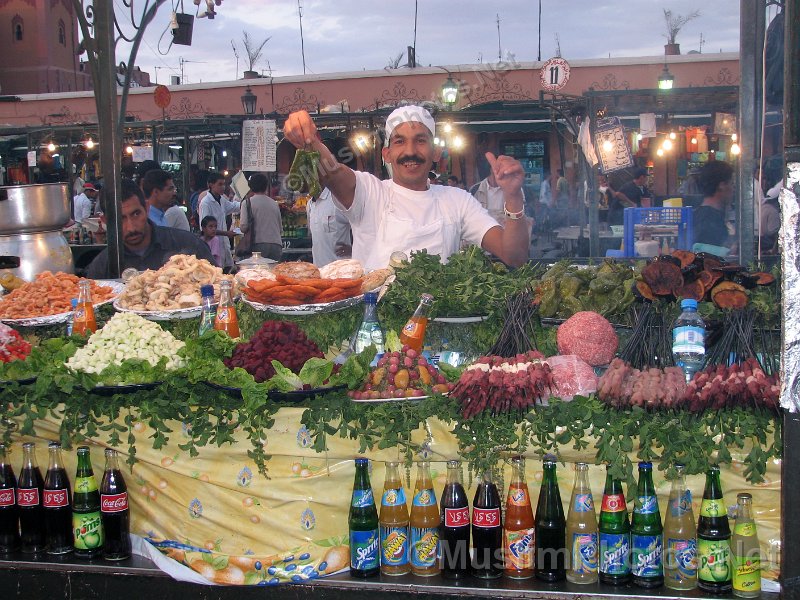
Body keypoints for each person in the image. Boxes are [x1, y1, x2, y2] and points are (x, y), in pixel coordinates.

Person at [282, 104, 529, 272]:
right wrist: (309, 140)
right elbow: (332, 171)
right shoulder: (371, 192)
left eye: (421, 141)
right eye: (400, 142)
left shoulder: (457, 200)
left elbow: (514, 256)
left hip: (438, 331)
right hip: (377, 333)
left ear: (434, 153)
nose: (410, 151)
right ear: (387, 154)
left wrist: (513, 195)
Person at [85, 180, 215, 279]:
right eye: (120, 219)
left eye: (136, 214)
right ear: (105, 221)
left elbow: (221, 291)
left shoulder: (189, 245)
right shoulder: (102, 267)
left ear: (147, 208)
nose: (131, 227)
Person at [240, 173, 283, 261]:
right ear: (266, 186)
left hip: (257, 245)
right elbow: (280, 228)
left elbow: (243, 227)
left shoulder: (247, 203)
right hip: (276, 245)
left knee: (259, 274)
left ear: (250, 187)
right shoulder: (274, 203)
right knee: (273, 273)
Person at [693, 160, 735, 248]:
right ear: (722, 185)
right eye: (731, 183)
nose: (733, 189)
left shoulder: (699, 215)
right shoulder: (709, 221)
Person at [307, 187, 352, 266]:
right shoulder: (310, 205)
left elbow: (361, 225)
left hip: (341, 270)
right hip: (319, 269)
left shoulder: (337, 200)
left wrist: (354, 248)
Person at [199, 172, 240, 242]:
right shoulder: (205, 203)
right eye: (220, 184)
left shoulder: (222, 200)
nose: (223, 187)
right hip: (212, 243)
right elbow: (205, 228)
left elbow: (233, 206)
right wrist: (226, 233)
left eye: (224, 184)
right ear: (211, 185)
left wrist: (247, 202)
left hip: (224, 243)